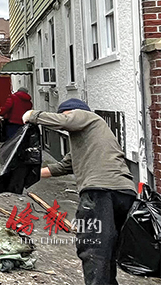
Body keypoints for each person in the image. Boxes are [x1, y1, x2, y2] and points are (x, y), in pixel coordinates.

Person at [23, 98, 136, 285]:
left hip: (100, 192)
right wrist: (29, 176)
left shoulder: (86, 116)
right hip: (123, 193)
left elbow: (65, 120)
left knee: (93, 247)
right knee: (107, 247)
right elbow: (63, 166)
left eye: (64, 115)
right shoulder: (89, 137)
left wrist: (32, 115)